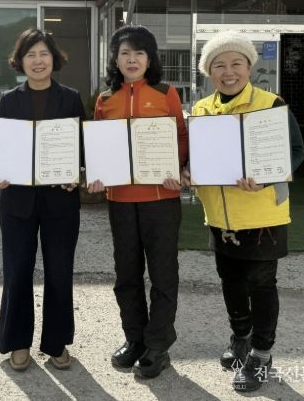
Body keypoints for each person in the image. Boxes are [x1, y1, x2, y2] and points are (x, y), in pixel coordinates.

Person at [185, 31, 304, 392]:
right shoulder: (201, 111)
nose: (229, 71)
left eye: (236, 63)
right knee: (230, 280)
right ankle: (240, 335)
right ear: (209, 72)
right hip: (219, 217)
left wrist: (266, 179)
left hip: (263, 215)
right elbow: (196, 157)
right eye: (219, 65)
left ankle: (262, 353)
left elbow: (295, 151)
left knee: (261, 284)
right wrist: (189, 170)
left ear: (249, 67)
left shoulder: (271, 104)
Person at [87, 25, 188, 379]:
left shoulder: (166, 93)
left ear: (150, 59)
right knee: (126, 274)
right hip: (120, 200)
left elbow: (181, 136)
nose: (132, 59)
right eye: (125, 53)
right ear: (115, 59)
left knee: (163, 274)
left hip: (161, 198)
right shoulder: (105, 99)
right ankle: (135, 339)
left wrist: (179, 167)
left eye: (139, 53)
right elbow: (98, 144)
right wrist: (96, 173)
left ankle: (157, 345)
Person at [0, 28, 85, 372]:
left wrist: (78, 172)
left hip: (61, 201)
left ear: (54, 59)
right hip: (17, 201)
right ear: (21, 61)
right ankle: (17, 342)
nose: (38, 61)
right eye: (30, 54)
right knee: (17, 272)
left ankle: (56, 342)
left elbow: (81, 147)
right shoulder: (7, 100)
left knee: (59, 272)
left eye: (44, 53)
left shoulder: (71, 98)